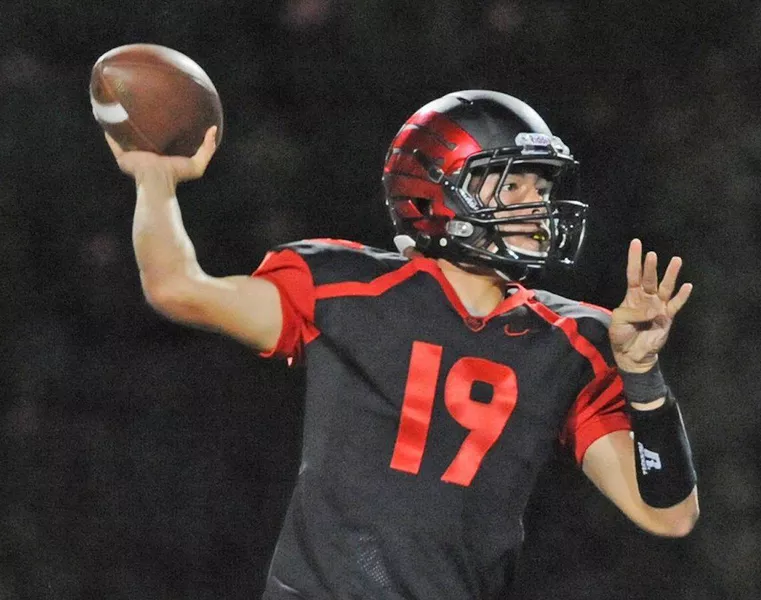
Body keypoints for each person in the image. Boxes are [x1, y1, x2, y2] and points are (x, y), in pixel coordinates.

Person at [104, 90, 699, 600]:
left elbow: (668, 516)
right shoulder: (346, 286)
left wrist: (643, 377)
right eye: (510, 182)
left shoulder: (574, 339)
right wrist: (156, 182)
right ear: (437, 189)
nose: (535, 204)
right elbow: (178, 287)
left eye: (539, 185)